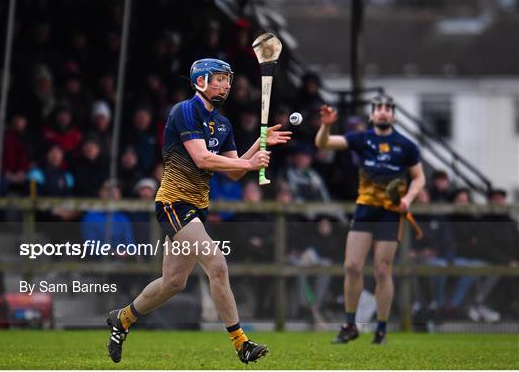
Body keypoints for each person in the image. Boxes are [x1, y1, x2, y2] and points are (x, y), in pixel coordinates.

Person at [106, 58, 291, 364]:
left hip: (197, 208)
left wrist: (258, 145)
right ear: (201, 80)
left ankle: (123, 318)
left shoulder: (223, 124)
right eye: (220, 78)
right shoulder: (184, 111)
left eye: (228, 79)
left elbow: (232, 172)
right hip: (173, 204)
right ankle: (241, 343)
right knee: (216, 264)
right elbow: (203, 159)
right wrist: (248, 163)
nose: (227, 84)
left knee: (174, 282)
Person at [315, 95, 425, 344]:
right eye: (378, 109)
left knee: (382, 270)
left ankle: (381, 329)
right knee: (352, 267)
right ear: (372, 114)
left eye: (388, 109)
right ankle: (350, 325)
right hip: (365, 209)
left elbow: (419, 178)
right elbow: (324, 143)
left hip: (389, 213)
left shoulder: (406, 145)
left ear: (393, 115)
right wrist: (326, 125)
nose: (383, 112)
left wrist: (409, 198)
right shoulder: (361, 139)